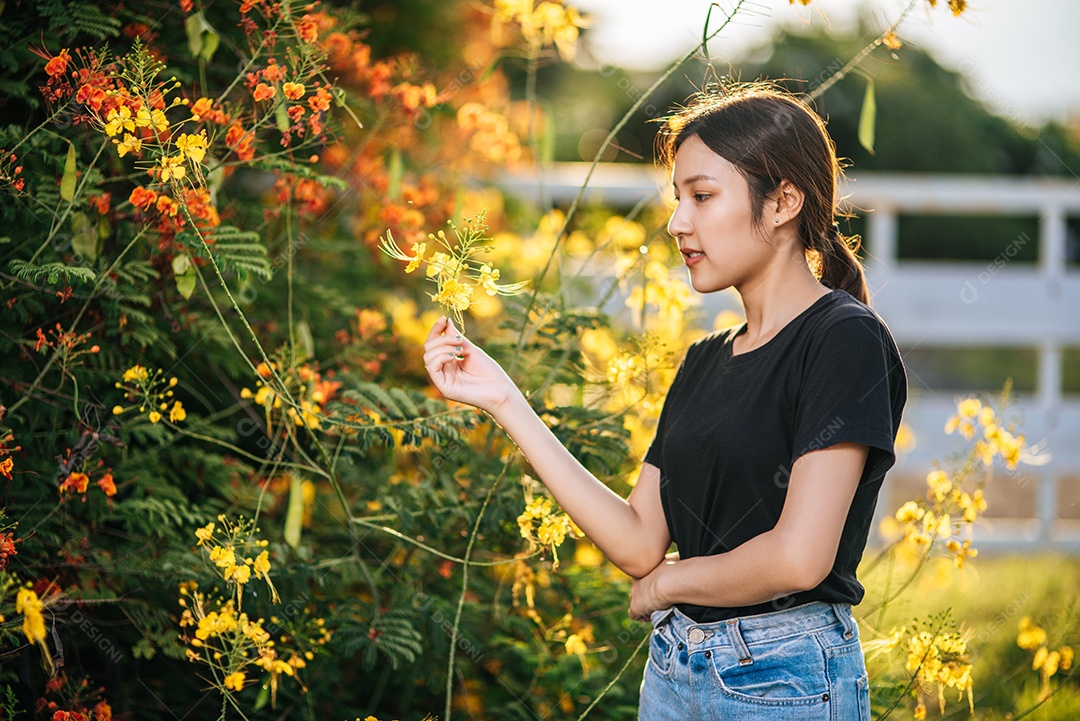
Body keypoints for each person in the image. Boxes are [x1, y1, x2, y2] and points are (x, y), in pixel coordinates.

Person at [423, 82, 907, 720]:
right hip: (675, 666)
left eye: (703, 196)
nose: (678, 222)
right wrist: (505, 401)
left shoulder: (843, 338)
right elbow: (639, 540)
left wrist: (671, 583)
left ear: (784, 200)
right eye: (678, 198)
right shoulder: (706, 359)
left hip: (783, 676)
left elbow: (798, 556)